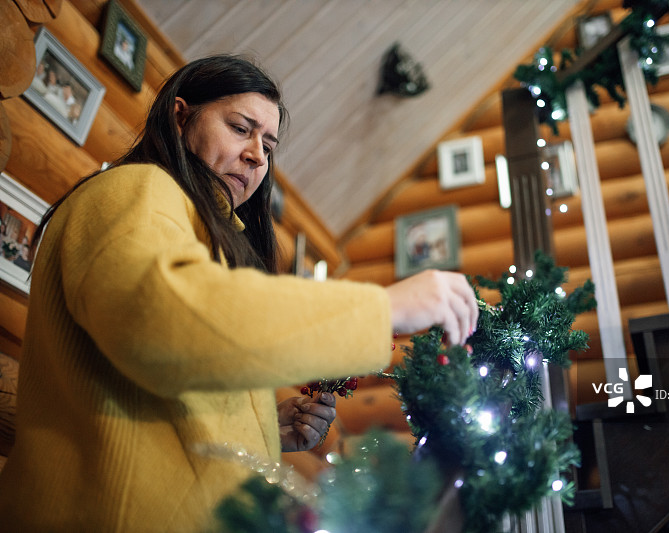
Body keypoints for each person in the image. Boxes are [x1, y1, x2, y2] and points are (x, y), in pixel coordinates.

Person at [0, 55, 478, 531]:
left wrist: (265, 427)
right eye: (240, 128)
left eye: (268, 145)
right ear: (180, 115)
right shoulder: (136, 188)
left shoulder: (202, 232)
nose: (257, 156)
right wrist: (385, 308)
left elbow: (168, 379)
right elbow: (162, 326)